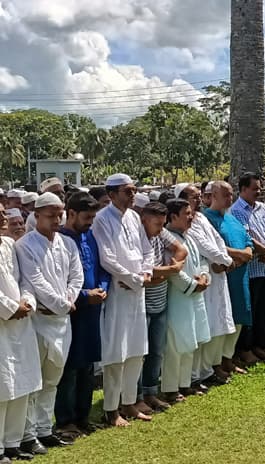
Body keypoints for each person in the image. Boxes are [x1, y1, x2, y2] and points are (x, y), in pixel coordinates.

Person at [14, 193, 83, 455]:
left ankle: (44, 429)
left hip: (62, 321)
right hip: (39, 321)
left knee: (53, 379)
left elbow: (76, 276)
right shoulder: (25, 245)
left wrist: (68, 299)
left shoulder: (67, 243)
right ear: (37, 215)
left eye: (60, 214)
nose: (57, 219)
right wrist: (62, 303)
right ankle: (27, 435)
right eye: (51, 215)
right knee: (35, 380)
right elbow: (35, 281)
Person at [92, 173, 154, 427]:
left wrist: (147, 272)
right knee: (116, 353)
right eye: (127, 191)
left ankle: (129, 402)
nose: (132, 195)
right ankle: (111, 409)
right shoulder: (101, 219)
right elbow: (107, 257)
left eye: (133, 190)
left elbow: (147, 249)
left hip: (137, 291)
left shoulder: (133, 217)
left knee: (137, 350)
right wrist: (131, 277)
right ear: (111, 194)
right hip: (118, 293)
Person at [53, 193, 108, 441]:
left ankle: (83, 417)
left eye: (93, 217)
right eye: (87, 217)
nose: (90, 222)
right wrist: (86, 295)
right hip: (72, 311)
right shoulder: (61, 241)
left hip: (93, 311)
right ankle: (65, 421)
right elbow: (59, 283)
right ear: (71, 213)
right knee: (70, 369)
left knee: (87, 367)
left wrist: (103, 287)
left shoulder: (91, 237)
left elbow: (100, 268)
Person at [179, 184, 237, 383]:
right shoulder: (189, 223)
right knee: (205, 328)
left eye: (199, 197)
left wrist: (224, 259)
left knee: (218, 325)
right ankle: (197, 374)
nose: (198, 200)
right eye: (193, 197)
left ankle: (208, 369)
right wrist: (225, 260)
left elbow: (217, 241)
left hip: (217, 275)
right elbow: (204, 246)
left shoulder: (201, 217)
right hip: (204, 276)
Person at [136, 202, 188, 414]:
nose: (160, 228)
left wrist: (169, 269)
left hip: (160, 301)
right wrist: (169, 271)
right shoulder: (137, 238)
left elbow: (181, 249)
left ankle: (150, 392)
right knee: (140, 353)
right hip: (142, 304)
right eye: (156, 223)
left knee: (156, 352)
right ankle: (137, 396)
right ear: (143, 220)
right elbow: (143, 270)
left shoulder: (161, 233)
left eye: (162, 223)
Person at [0, 201, 41, 462]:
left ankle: (14, 442)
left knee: (21, 383)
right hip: (3, 324)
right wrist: (9, 307)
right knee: (2, 387)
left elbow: (24, 278)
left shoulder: (8, 245)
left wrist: (27, 301)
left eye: (4, 212)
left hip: (21, 321)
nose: (4, 216)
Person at [161, 199, 211, 403]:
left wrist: (204, 277)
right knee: (175, 344)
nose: (191, 217)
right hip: (178, 297)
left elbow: (203, 261)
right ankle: (170, 388)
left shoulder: (188, 237)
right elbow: (171, 270)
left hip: (195, 295)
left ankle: (185, 383)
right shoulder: (168, 240)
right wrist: (192, 284)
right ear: (173, 217)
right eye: (186, 213)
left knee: (191, 340)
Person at [230, 173, 265, 363]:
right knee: (251, 311)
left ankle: (260, 345)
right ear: (243, 189)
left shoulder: (262, 208)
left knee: (264, 310)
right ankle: (246, 348)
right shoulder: (236, 210)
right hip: (253, 269)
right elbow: (247, 238)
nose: (258, 192)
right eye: (254, 188)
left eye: (259, 188)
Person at [204, 182, 255, 369]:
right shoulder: (205, 218)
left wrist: (248, 251)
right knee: (223, 316)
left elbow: (248, 240)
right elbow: (210, 245)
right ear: (214, 195)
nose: (229, 198)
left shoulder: (233, 218)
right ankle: (215, 363)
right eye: (225, 195)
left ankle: (228, 357)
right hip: (223, 274)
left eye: (231, 194)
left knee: (240, 314)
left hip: (240, 273)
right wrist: (239, 254)